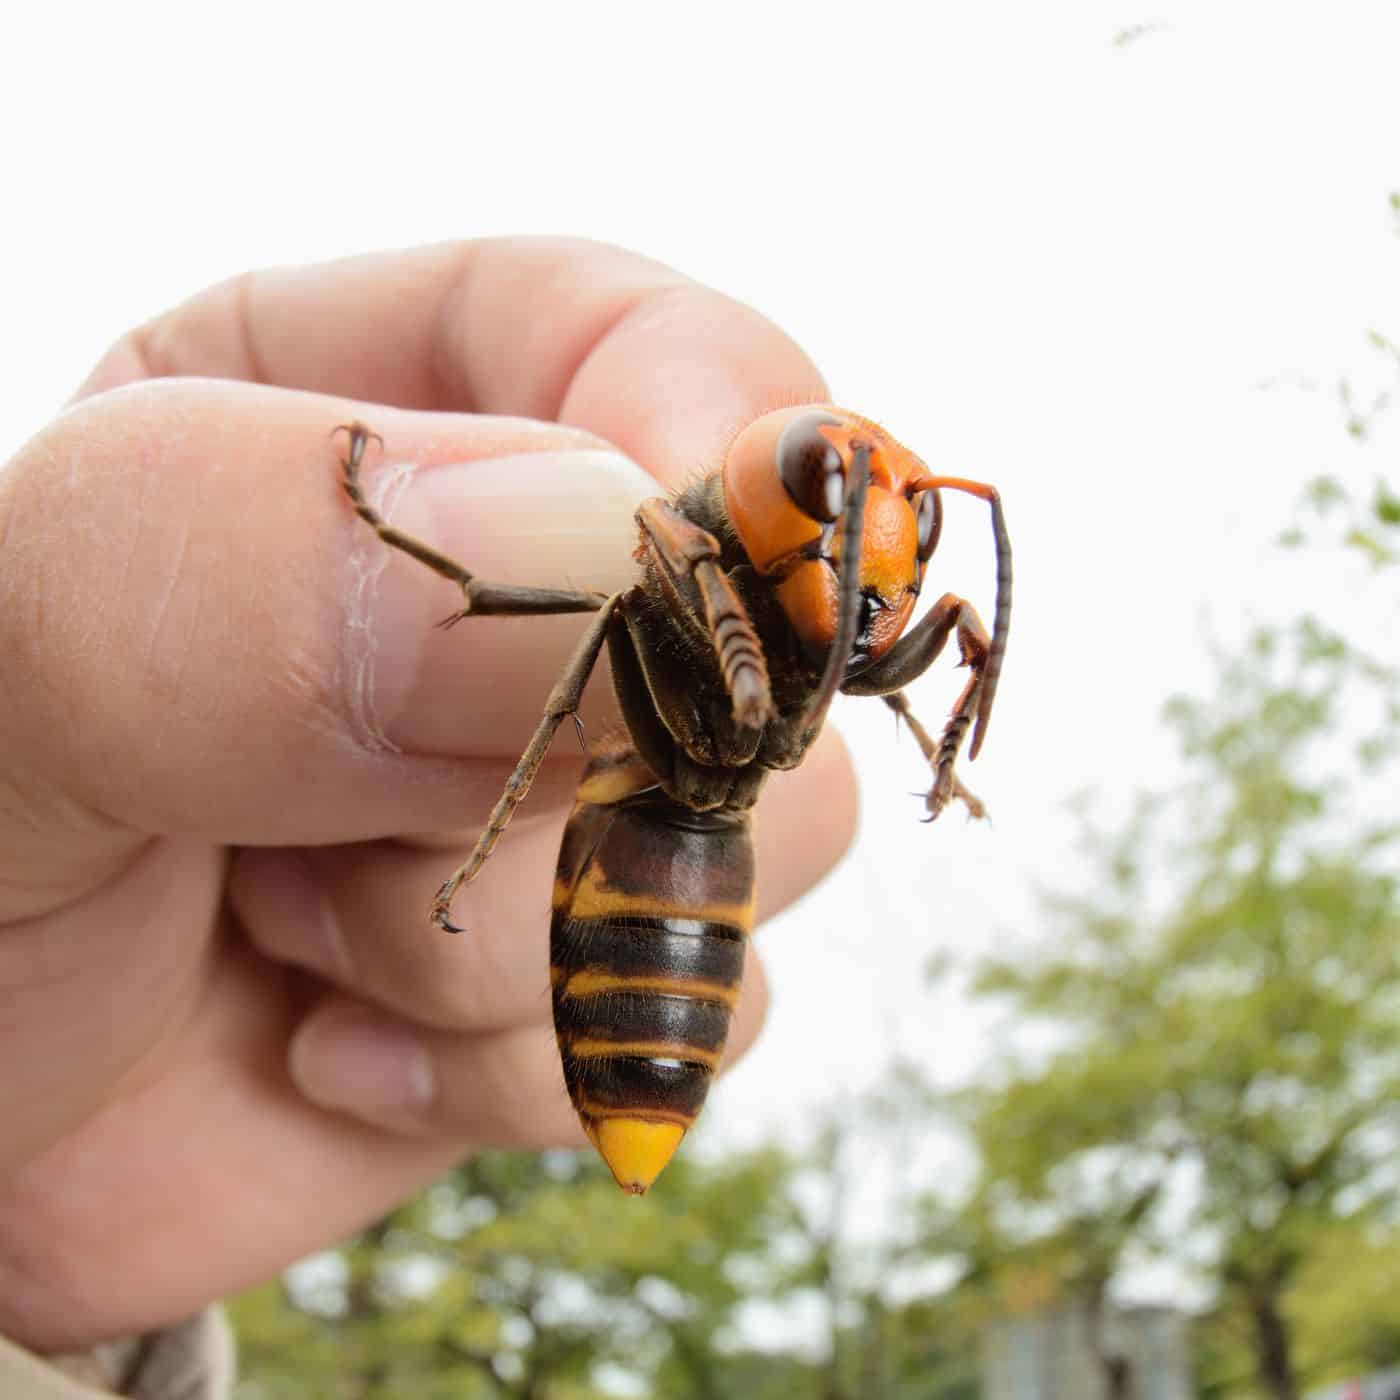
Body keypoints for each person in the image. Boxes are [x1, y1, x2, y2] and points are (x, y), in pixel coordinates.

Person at [0, 239, 858, 1398]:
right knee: (598, 608)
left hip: (683, 860)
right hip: (664, 866)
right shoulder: (672, 537)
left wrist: (31, 1294)